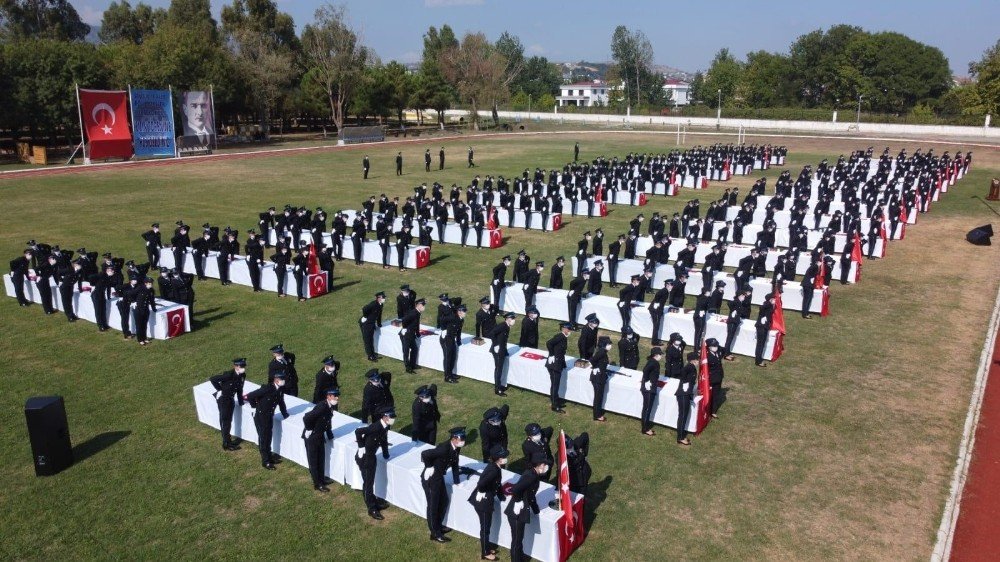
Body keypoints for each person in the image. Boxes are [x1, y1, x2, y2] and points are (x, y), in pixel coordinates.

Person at [420, 427, 466, 542]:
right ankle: (435, 533)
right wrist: (429, 466)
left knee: (444, 501)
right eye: (461, 439)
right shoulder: (444, 449)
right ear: (454, 438)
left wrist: (457, 481)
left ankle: (438, 526)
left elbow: (455, 463)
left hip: (439, 477)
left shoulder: (456, 448)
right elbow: (425, 454)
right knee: (433, 506)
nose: (463, 441)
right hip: (431, 478)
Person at [355, 406, 395, 519]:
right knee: (368, 484)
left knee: (369, 482)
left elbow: (383, 440)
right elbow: (358, 431)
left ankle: (374, 502)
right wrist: (361, 447)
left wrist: (386, 453)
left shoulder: (385, 427)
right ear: (385, 417)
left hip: (371, 457)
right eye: (391, 417)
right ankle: (371, 508)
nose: (393, 419)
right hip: (365, 458)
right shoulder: (375, 427)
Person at [506, 452, 547, 562]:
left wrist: (536, 510)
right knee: (517, 540)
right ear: (538, 465)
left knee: (519, 538)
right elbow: (515, 489)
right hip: (516, 512)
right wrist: (518, 501)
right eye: (544, 464)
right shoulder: (530, 476)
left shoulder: (534, 474)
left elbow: (531, 495)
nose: (545, 466)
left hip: (521, 510)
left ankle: (520, 557)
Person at [470, 445, 508, 561]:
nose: (506, 458)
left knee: (486, 527)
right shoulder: (494, 470)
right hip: (483, 503)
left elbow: (497, 483)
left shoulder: (495, 467)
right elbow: (481, 484)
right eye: (504, 456)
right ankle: (485, 553)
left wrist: (501, 497)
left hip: (484, 500)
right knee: (485, 528)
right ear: (498, 458)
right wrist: (482, 491)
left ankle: (486, 547)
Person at [244, 371, 289, 469]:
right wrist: (254, 407)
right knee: (263, 438)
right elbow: (250, 396)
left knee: (268, 436)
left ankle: (269, 456)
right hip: (261, 416)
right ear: (276, 380)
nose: (283, 381)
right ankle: (265, 461)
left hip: (269, 416)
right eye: (282, 380)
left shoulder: (280, 389)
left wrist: (285, 414)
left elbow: (281, 402)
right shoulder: (267, 388)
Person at [303, 388, 339, 492]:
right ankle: (317, 484)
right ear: (328, 396)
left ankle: (321, 479)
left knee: (321, 459)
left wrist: (329, 434)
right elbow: (306, 418)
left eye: (337, 396)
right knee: (314, 461)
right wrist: (309, 429)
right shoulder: (322, 407)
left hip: (319, 436)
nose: (337, 398)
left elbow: (327, 421)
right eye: (334, 396)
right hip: (312, 436)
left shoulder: (330, 406)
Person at [209, 358, 247, 451]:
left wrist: (241, 401)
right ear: (235, 366)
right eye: (241, 366)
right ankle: (226, 443)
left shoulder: (242, 375)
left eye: (243, 366)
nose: (243, 368)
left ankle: (228, 440)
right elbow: (213, 379)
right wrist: (220, 390)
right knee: (225, 421)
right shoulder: (228, 375)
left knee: (228, 421)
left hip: (230, 399)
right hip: (224, 400)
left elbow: (239, 389)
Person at [545, 322, 572, 414]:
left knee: (556, 384)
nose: (570, 331)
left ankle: (555, 400)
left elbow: (561, 352)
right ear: (564, 329)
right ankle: (554, 405)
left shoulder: (563, 337)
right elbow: (549, 343)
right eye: (568, 329)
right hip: (554, 365)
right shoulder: (560, 337)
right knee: (555, 385)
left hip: (558, 363)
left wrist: (563, 364)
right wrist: (552, 355)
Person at [489, 312, 516, 396]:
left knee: (500, 368)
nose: (514, 321)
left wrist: (505, 350)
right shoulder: (502, 326)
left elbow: (504, 340)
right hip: (497, 351)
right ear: (508, 319)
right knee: (498, 369)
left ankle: (500, 385)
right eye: (513, 319)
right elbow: (492, 333)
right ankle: (497, 389)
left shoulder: (507, 326)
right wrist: (496, 345)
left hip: (502, 350)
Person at [441, 304, 466, 383]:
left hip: (452, 339)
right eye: (464, 311)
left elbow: (459, 331)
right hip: (446, 338)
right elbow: (441, 319)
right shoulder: (453, 317)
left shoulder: (461, 319)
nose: (465, 313)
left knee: (453, 356)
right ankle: (447, 377)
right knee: (448, 357)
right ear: (459, 312)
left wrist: (458, 341)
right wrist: (444, 329)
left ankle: (450, 373)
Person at [590, 336, 613, 421]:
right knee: (598, 397)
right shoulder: (601, 352)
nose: (610, 345)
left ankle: (597, 413)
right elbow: (592, 360)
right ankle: (597, 415)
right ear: (604, 345)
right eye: (608, 344)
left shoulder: (603, 351)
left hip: (600, 376)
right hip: (598, 378)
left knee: (598, 396)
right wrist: (596, 367)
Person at [640, 347, 663, 435]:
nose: (661, 356)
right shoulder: (654, 363)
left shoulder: (652, 361)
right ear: (656, 355)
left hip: (648, 387)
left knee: (646, 408)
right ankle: (645, 429)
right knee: (647, 408)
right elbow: (645, 370)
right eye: (660, 354)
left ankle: (645, 426)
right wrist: (646, 381)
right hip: (649, 388)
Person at [359, 291, 386, 362]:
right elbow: (364, 308)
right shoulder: (373, 304)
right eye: (383, 298)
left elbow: (379, 314)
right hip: (366, 324)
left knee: (371, 339)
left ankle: (372, 353)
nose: (384, 299)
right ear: (378, 298)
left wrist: (379, 324)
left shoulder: (381, 304)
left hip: (371, 324)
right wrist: (365, 316)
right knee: (367, 341)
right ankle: (370, 356)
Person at [400, 298, 426, 373]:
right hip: (406, 334)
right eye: (423, 305)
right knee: (406, 351)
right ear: (418, 305)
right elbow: (404, 320)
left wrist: (417, 334)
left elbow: (416, 324)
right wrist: (404, 328)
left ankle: (412, 364)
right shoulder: (413, 313)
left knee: (414, 349)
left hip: (411, 334)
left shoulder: (417, 313)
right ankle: (408, 368)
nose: (424, 307)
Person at [133, 277, 157, 346]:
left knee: (144, 325)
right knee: (139, 325)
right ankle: (140, 339)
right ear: (145, 283)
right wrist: (132, 302)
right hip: (138, 309)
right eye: (149, 283)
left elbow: (152, 300)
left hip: (146, 309)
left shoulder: (151, 290)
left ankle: (144, 338)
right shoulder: (140, 288)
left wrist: (154, 308)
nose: (151, 284)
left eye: (151, 283)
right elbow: (131, 293)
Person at [755, 293, 775, 368]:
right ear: (770, 299)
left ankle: (759, 358)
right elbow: (762, 308)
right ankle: (758, 361)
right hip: (761, 326)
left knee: (762, 344)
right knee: (760, 344)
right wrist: (769, 303)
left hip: (765, 326)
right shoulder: (766, 304)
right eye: (773, 299)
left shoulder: (769, 305)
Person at [706, 338, 724, 418]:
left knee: (716, 394)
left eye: (716, 345)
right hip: (711, 378)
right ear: (709, 347)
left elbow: (724, 349)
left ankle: (713, 411)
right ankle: (708, 410)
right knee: (710, 395)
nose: (715, 347)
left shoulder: (718, 353)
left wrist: (718, 346)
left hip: (719, 376)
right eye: (713, 346)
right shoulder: (707, 356)